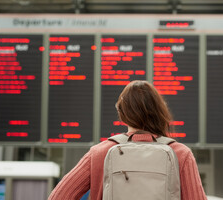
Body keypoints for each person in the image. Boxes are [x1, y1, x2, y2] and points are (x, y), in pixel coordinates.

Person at [48, 80, 207, 200]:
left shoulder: (99, 153)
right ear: (160, 111)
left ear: (122, 113)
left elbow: (58, 197)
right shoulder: (181, 154)